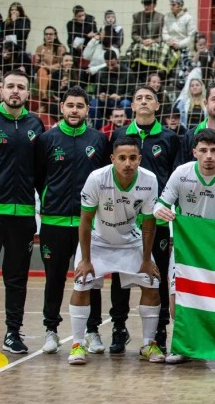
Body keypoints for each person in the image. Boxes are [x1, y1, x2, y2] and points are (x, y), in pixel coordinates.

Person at [153, 128, 215, 364]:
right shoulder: (181, 174)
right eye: (203, 150)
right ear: (194, 151)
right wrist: (160, 210)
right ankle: (184, 346)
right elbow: (160, 205)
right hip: (187, 249)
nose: (208, 155)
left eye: (214, 150)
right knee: (177, 300)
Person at [67, 135, 161, 365]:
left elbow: (149, 224)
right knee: (81, 284)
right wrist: (86, 260)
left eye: (132, 158)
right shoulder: (97, 179)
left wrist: (147, 260)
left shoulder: (149, 180)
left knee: (152, 283)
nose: (127, 163)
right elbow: (85, 221)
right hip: (98, 240)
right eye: (122, 158)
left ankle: (148, 344)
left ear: (139, 159)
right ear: (112, 159)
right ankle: (78, 344)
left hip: (131, 240)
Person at [35, 86, 110, 355]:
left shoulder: (99, 140)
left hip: (89, 224)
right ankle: (51, 331)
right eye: (70, 105)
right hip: (54, 222)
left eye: (80, 105)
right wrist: (50, 200)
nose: (75, 110)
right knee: (54, 278)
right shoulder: (47, 139)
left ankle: (92, 332)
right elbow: (39, 177)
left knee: (92, 278)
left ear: (87, 109)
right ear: (62, 108)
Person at [109, 85, 182, 355]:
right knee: (121, 278)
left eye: (148, 98)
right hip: (124, 221)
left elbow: (175, 179)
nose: (143, 102)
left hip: (158, 222)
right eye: (138, 98)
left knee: (157, 277)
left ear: (157, 105)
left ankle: (159, 333)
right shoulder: (119, 135)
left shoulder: (170, 138)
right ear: (132, 106)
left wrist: (166, 207)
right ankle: (119, 328)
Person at [0, 71, 45, 354]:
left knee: (17, 277)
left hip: (24, 215)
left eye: (21, 87)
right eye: (10, 86)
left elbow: (40, 173)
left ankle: (13, 333)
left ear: (28, 93)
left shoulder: (35, 125)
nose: (15, 91)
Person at [128, 0, 176, 77]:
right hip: (142, 42)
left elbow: (163, 35)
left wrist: (153, 41)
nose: (147, 7)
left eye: (149, 5)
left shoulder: (161, 17)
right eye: (145, 5)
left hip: (155, 42)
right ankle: (139, 75)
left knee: (163, 49)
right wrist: (142, 41)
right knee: (137, 49)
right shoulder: (137, 16)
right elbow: (134, 34)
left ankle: (159, 74)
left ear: (154, 5)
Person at [89, 50, 131, 128]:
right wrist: (101, 96)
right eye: (108, 65)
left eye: (112, 64)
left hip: (121, 101)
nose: (110, 67)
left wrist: (120, 97)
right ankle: (99, 130)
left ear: (117, 60)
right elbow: (97, 91)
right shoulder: (101, 72)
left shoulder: (128, 72)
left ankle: (126, 129)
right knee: (93, 103)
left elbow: (132, 93)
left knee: (126, 103)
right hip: (107, 101)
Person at [34, 26, 67, 102]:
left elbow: (62, 65)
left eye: (51, 34)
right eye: (46, 34)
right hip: (42, 75)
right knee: (41, 71)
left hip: (55, 76)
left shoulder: (60, 48)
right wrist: (38, 63)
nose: (48, 36)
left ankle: (43, 102)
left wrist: (47, 66)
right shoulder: (40, 48)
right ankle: (44, 95)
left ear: (55, 36)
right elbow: (36, 67)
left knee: (42, 74)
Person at [162, 0, 196, 69]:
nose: (171, 7)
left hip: (183, 46)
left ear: (180, 6)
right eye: (171, 4)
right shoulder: (167, 17)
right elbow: (164, 32)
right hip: (169, 45)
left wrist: (179, 44)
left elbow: (191, 36)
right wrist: (169, 40)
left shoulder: (188, 18)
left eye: (173, 5)